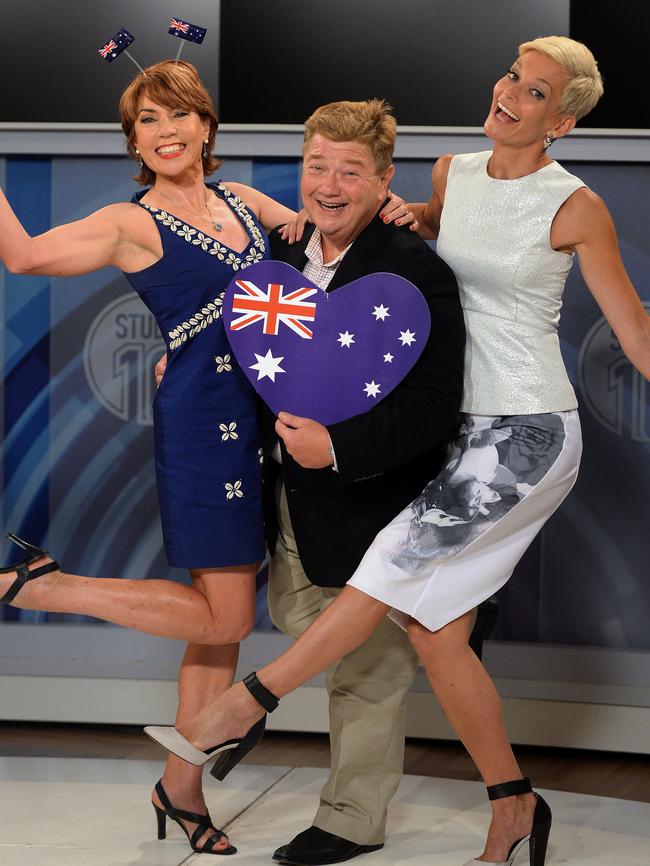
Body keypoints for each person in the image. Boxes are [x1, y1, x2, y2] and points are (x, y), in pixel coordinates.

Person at [145, 36, 650, 866]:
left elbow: (631, 331)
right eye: (511, 77)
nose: (510, 95)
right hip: (465, 431)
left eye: (534, 92)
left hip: (524, 428)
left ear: (560, 122)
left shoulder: (577, 205)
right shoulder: (452, 174)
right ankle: (515, 803)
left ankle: (245, 705)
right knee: (435, 632)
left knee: (386, 570)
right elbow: (415, 244)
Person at [0, 60, 296, 855]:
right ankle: (46, 584)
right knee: (228, 613)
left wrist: (402, 212)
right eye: (146, 123)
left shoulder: (245, 202)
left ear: (206, 126)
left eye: (177, 116)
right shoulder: (132, 223)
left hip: (268, 421)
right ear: (133, 142)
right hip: (204, 423)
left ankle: (181, 791)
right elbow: (24, 258)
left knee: (220, 631)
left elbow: (320, 246)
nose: (164, 133)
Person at [262, 99, 468, 865]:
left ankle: (350, 820)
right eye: (317, 166)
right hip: (285, 502)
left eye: (351, 171)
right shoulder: (279, 261)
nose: (329, 185)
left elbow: (435, 405)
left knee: (368, 669)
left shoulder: (417, 269)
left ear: (385, 183)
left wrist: (340, 449)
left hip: (377, 502)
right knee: (304, 629)